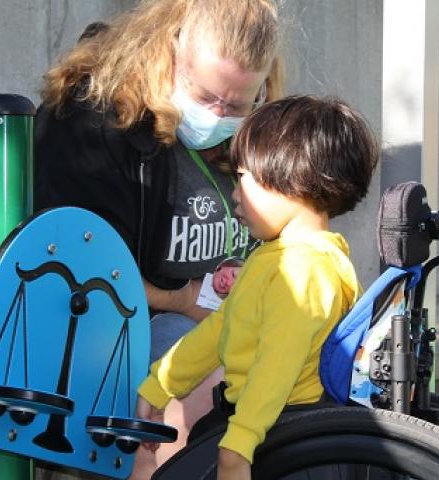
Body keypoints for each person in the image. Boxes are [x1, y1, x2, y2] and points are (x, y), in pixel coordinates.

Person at [0, 0, 286, 476]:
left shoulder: (254, 129)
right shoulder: (94, 120)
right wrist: (188, 299)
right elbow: (76, 272)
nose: (219, 114)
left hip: (187, 321)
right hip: (83, 324)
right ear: (172, 51)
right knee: (209, 387)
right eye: (206, 95)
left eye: (237, 104)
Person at [136, 95, 379, 479]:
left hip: (284, 441)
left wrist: (239, 444)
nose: (234, 194)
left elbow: (277, 364)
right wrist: (160, 385)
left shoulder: (304, 269)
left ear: (292, 180)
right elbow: (222, 329)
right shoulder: (278, 256)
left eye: (244, 178)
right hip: (261, 427)